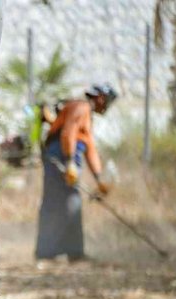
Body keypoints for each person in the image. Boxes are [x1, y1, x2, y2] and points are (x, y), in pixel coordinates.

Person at [35, 83, 118, 262]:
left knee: (66, 201)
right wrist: (71, 162)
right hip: (60, 158)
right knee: (64, 201)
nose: (106, 106)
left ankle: (59, 251)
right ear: (100, 97)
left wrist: (99, 179)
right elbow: (68, 133)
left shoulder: (87, 116)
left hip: (66, 158)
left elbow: (90, 149)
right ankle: (60, 252)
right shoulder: (81, 107)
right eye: (107, 101)